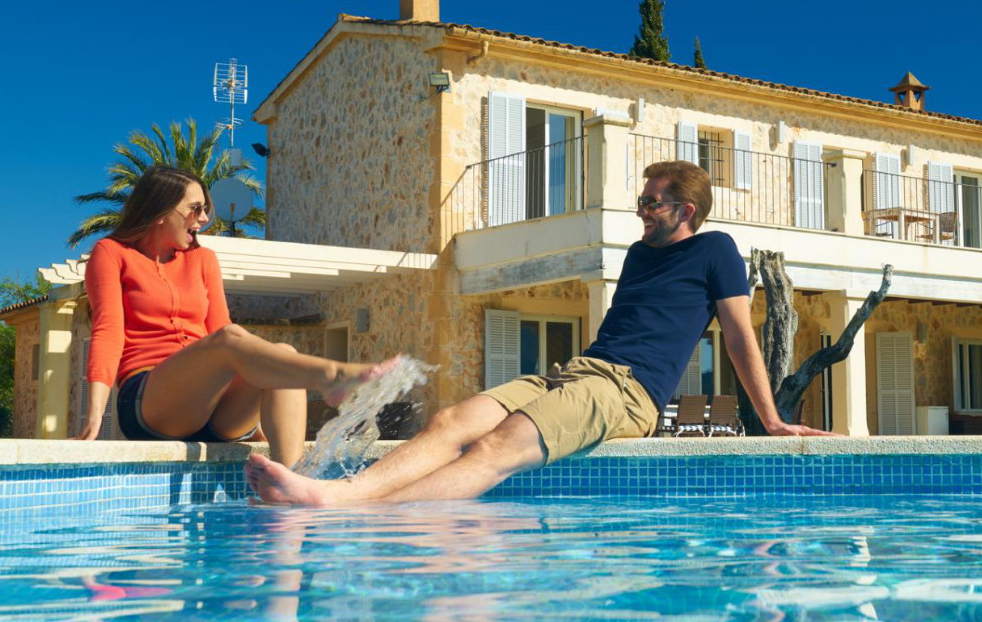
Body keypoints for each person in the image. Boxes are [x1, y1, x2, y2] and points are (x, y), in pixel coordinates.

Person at [245, 160, 834, 503]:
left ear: (685, 210)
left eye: (651, 201)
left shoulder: (716, 250)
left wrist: (772, 420)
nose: (640, 208)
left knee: (500, 445)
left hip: (629, 392)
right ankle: (337, 496)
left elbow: (737, 337)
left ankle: (352, 517)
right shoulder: (635, 255)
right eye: (641, 199)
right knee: (454, 420)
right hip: (580, 372)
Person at [77, 164, 391, 465]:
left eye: (205, 210)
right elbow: (108, 331)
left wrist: (262, 426)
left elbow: (220, 327)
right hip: (150, 403)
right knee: (229, 340)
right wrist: (95, 415)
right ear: (161, 210)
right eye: (195, 208)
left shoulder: (203, 260)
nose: (203, 219)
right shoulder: (113, 253)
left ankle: (290, 481)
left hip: (216, 413)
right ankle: (329, 375)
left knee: (281, 354)